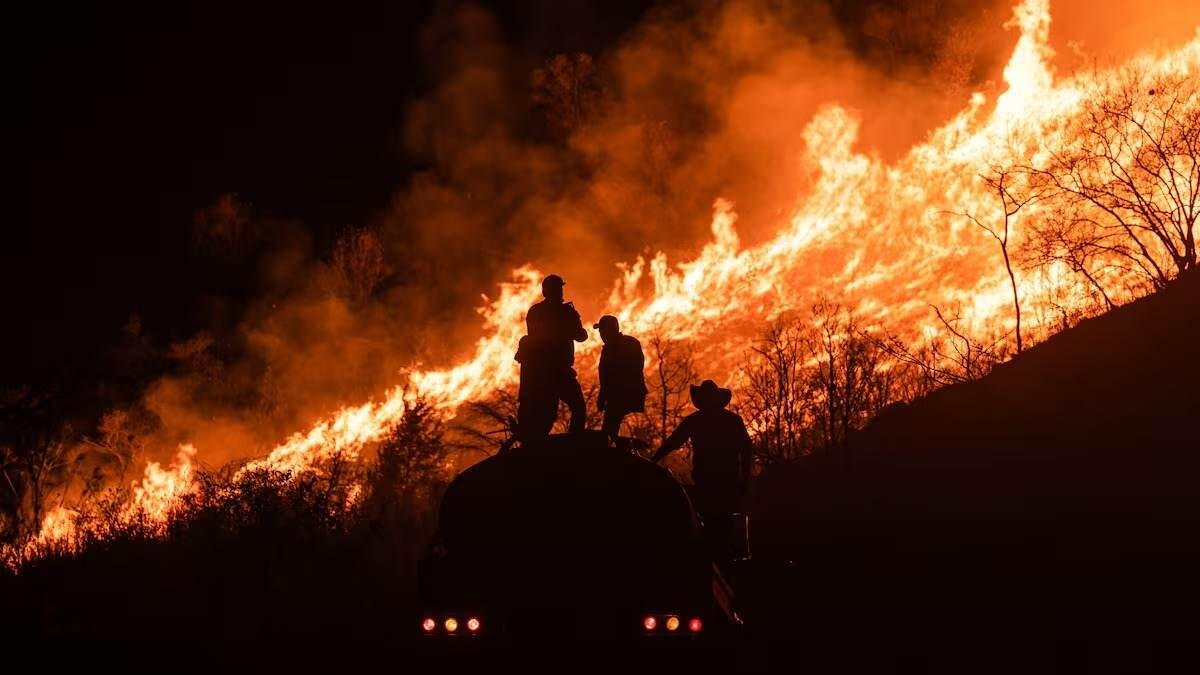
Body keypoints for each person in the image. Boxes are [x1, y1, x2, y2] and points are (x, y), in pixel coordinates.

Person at [651, 380, 753, 521]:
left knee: (709, 523)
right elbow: (747, 451)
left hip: (710, 484)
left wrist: (653, 461)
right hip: (725, 484)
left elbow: (672, 443)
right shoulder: (733, 420)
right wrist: (744, 482)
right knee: (723, 525)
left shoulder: (695, 420)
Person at [516, 274, 588, 438]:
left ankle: (538, 445)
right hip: (559, 371)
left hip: (542, 374)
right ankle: (573, 443)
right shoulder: (565, 312)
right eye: (559, 288)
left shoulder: (535, 311)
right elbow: (581, 336)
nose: (561, 292)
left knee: (548, 416)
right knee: (578, 407)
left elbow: (533, 337)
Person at [594, 315, 647, 443]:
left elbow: (633, 368)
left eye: (603, 330)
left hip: (623, 395)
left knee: (607, 431)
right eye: (600, 330)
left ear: (611, 329)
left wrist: (605, 396)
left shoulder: (625, 345)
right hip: (620, 395)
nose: (601, 333)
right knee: (609, 429)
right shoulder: (621, 345)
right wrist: (603, 396)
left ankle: (616, 450)